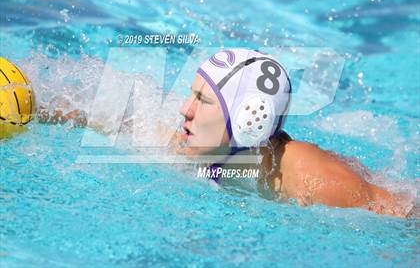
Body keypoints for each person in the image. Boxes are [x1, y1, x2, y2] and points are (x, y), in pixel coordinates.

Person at [4, 52, 415, 218]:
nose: (185, 108)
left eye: (202, 100)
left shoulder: (313, 177)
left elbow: (402, 215)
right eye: (191, 95)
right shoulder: (206, 150)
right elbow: (124, 125)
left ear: (247, 119)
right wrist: (45, 110)